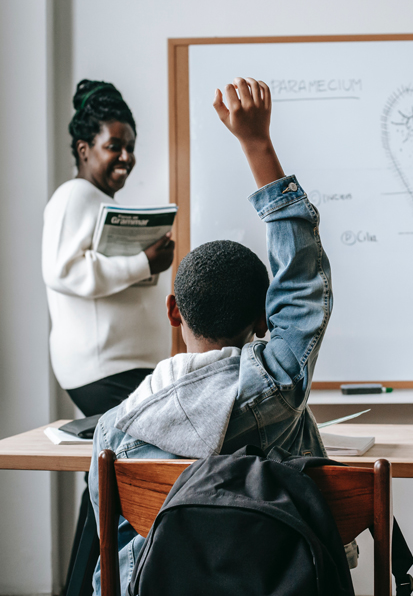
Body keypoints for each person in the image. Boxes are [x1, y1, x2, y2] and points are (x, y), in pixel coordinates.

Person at [88, 77, 334, 594]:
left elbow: (108, 560)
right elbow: (302, 281)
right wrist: (258, 144)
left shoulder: (115, 431)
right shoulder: (276, 386)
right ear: (263, 323)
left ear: (174, 312)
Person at [42, 80, 175, 416]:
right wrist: (144, 263)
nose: (126, 157)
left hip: (126, 367)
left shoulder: (97, 201)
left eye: (130, 147)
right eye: (114, 146)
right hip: (105, 369)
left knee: (122, 458)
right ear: (85, 149)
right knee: (137, 459)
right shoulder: (74, 195)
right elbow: (63, 270)